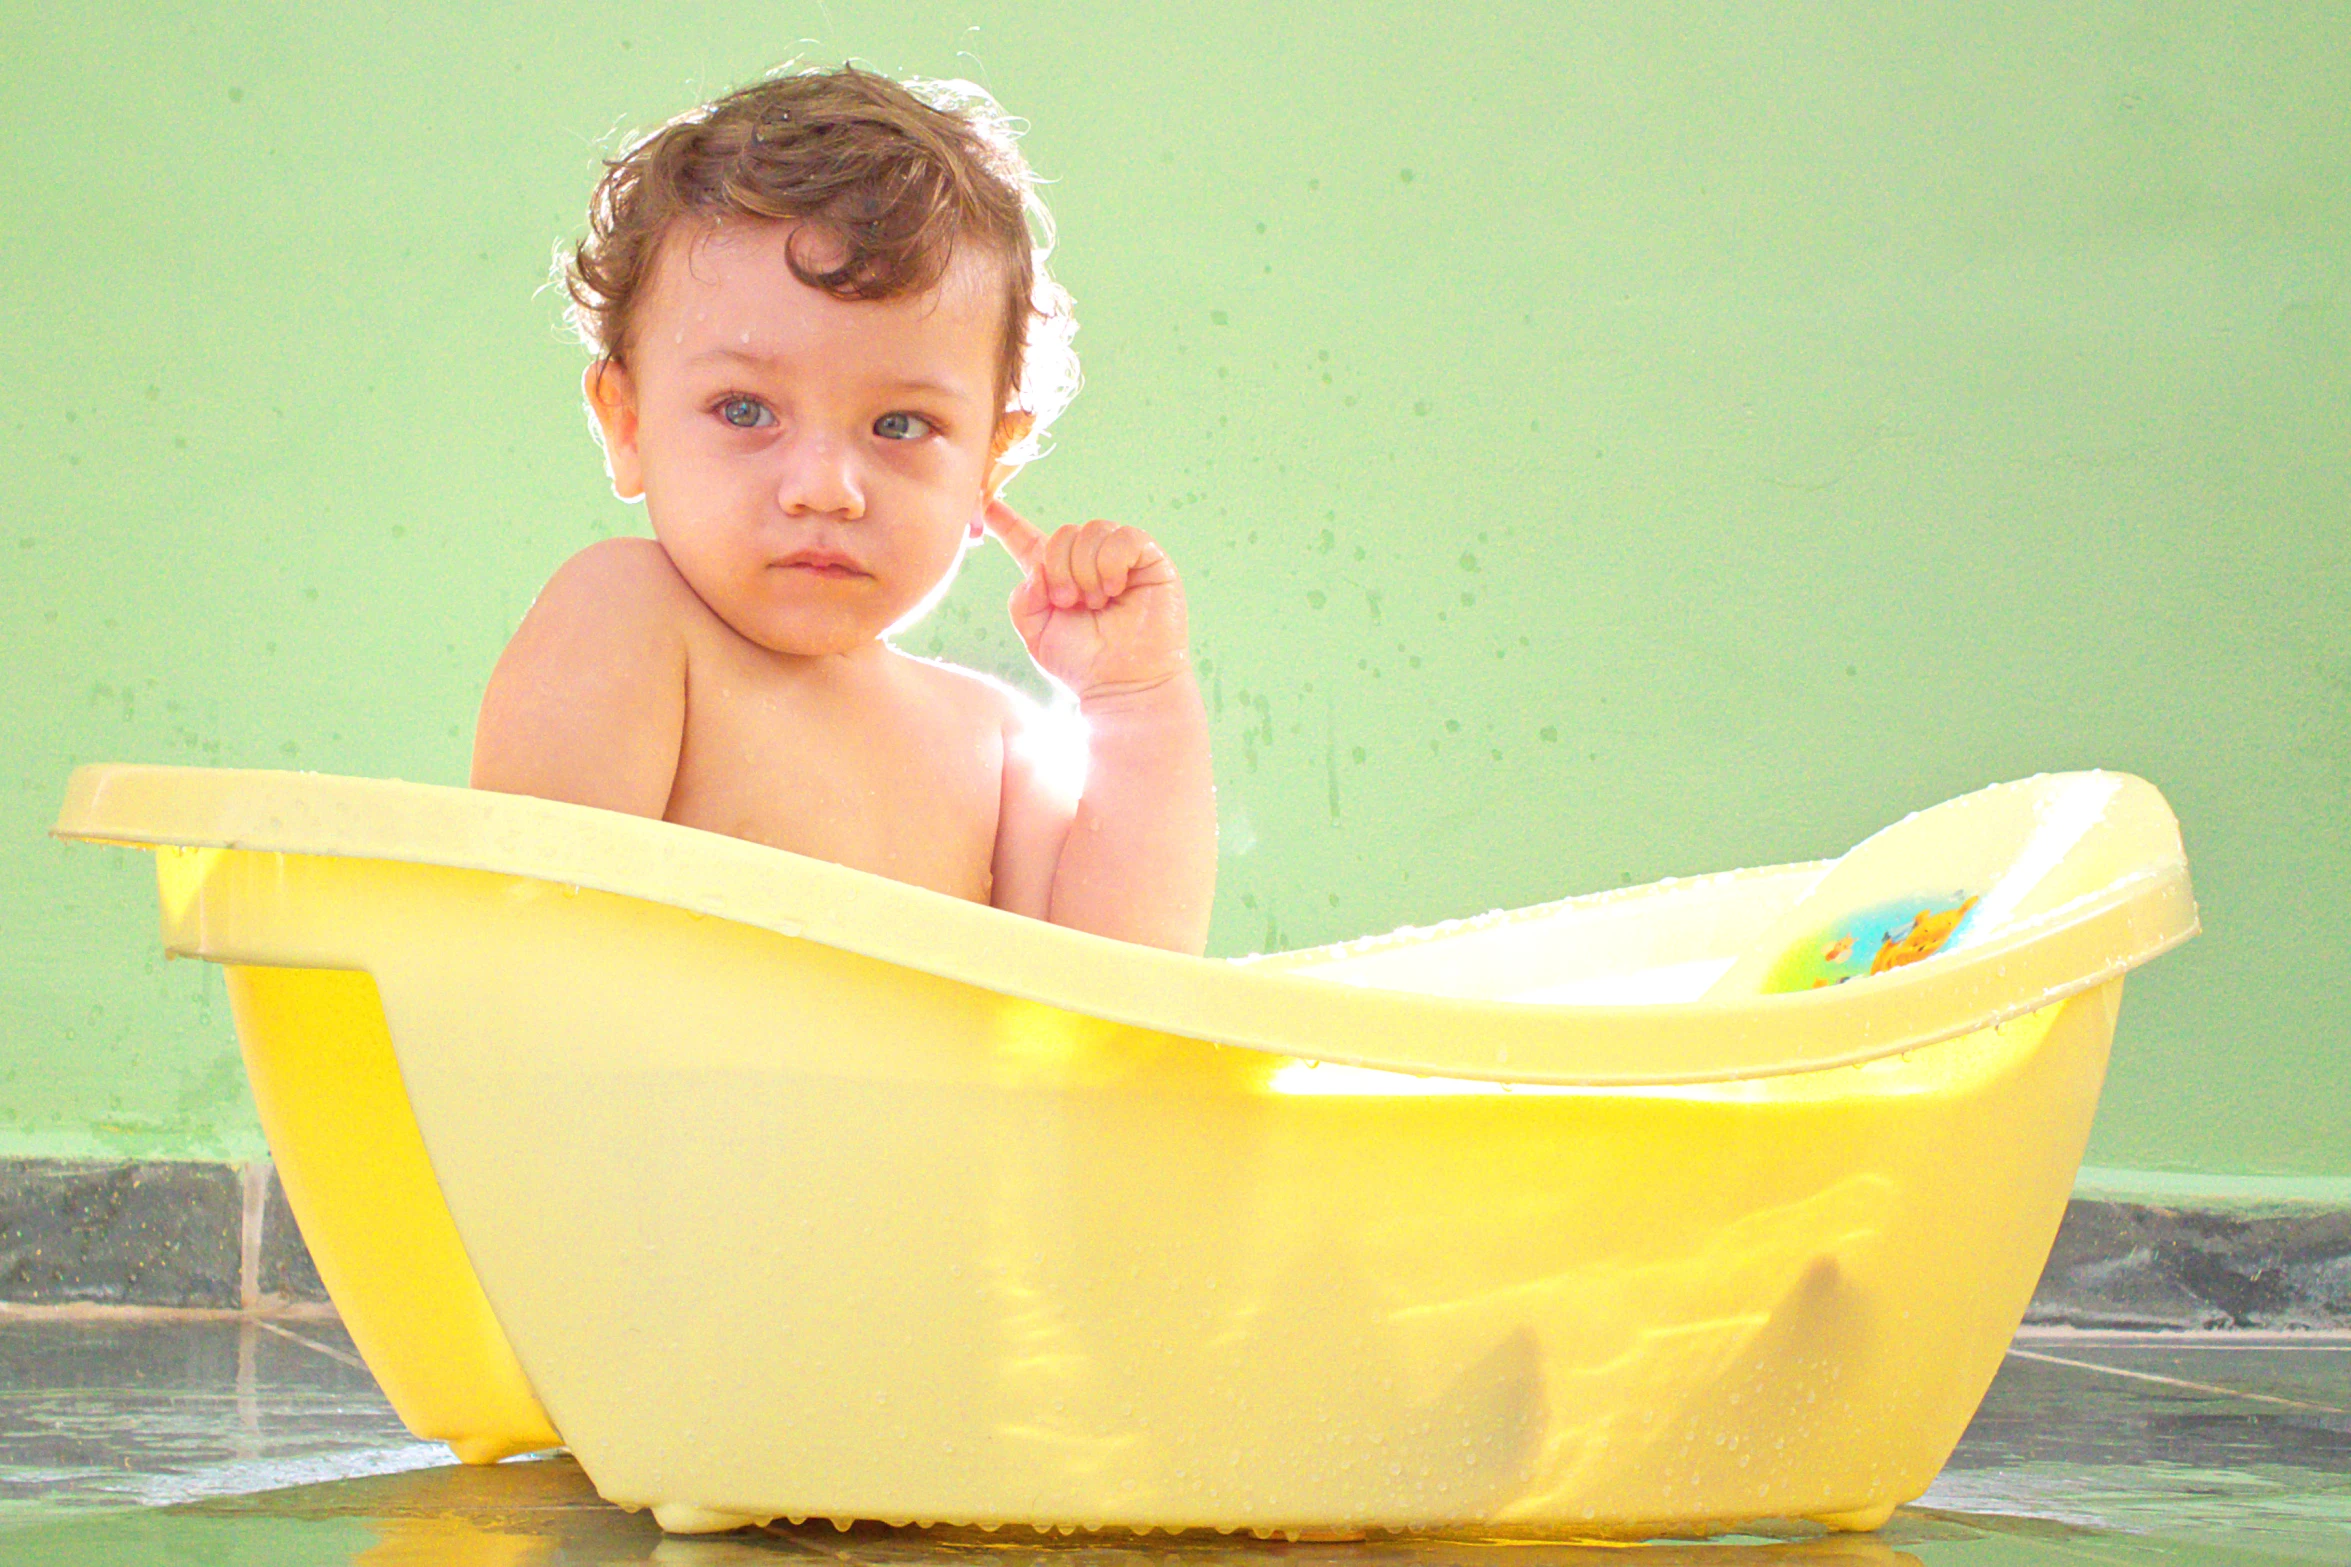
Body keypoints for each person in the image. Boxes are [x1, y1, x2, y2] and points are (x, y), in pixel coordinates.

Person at [471, 65, 1215, 954]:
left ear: (988, 463)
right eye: (745, 410)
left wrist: (1137, 696)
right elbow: (520, 949)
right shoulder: (627, 619)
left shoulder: (997, 745)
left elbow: (1124, 988)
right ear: (628, 425)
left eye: (899, 424)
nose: (825, 486)